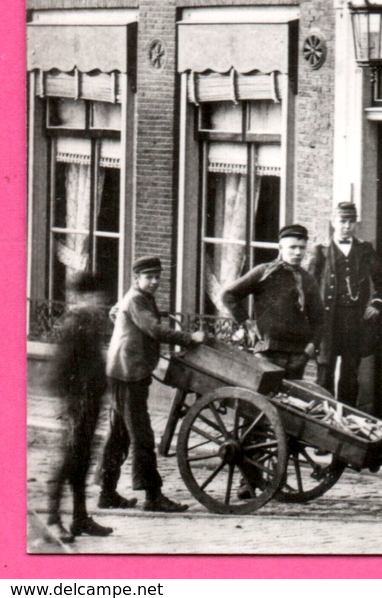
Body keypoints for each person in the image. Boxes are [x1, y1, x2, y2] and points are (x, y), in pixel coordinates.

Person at [98, 256, 206, 513]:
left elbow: (122, 314)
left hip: (125, 372)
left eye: (157, 276)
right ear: (136, 278)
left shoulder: (136, 297)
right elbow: (155, 330)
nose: (155, 281)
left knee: (120, 434)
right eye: (149, 277)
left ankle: (107, 492)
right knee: (142, 436)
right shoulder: (136, 298)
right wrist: (190, 338)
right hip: (126, 374)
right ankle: (153, 495)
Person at [44, 271, 114, 544]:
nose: (99, 301)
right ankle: (52, 519)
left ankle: (80, 517)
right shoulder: (74, 325)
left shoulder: (88, 322)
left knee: (82, 461)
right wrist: (75, 402)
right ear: (82, 297)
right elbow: (61, 371)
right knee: (68, 461)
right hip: (77, 405)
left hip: (90, 403)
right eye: (95, 297)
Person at [306, 201, 382, 405]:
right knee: (325, 370)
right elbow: (307, 287)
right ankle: (322, 419)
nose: (347, 226)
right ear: (334, 222)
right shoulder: (321, 251)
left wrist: (376, 303)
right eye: (343, 221)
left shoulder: (365, 249)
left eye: (351, 222)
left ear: (356, 225)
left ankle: (347, 418)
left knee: (350, 372)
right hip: (327, 321)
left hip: (355, 320)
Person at [221, 224, 323, 380]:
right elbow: (228, 295)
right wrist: (247, 323)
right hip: (267, 353)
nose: (297, 252)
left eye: (302, 248)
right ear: (280, 247)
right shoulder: (264, 272)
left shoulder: (308, 280)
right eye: (292, 247)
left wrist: (308, 351)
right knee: (261, 401)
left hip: (297, 357)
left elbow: (319, 321)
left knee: (290, 403)